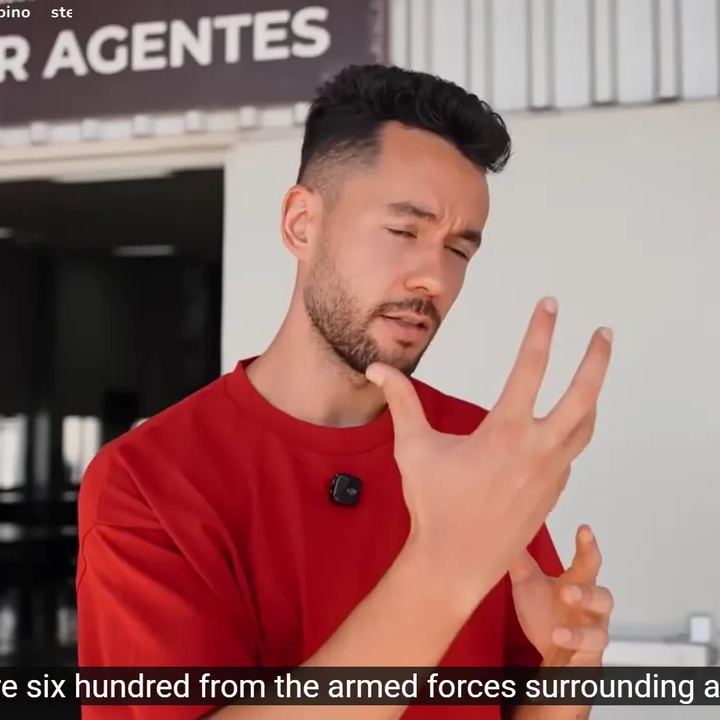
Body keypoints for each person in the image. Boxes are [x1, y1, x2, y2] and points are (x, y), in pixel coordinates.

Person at [76, 63, 616, 720]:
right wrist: (446, 568)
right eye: (404, 231)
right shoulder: (149, 480)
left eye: (459, 249)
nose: (434, 278)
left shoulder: (485, 450)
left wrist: (563, 676)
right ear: (302, 224)